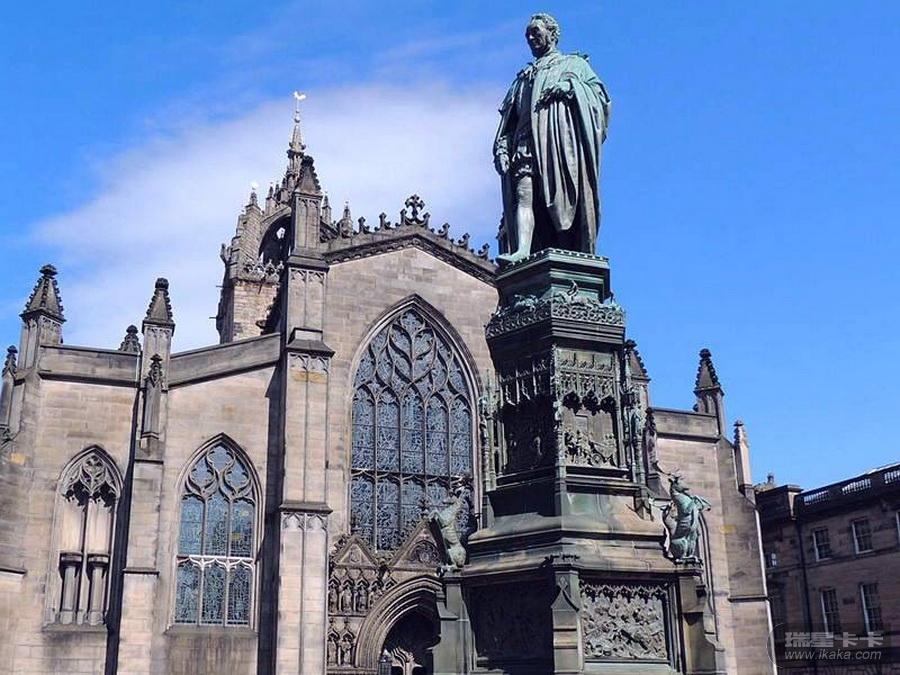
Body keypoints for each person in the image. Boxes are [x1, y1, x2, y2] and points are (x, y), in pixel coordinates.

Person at [494, 13, 611, 263]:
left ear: (553, 34)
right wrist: (502, 148)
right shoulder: (521, 79)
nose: (530, 37)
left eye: (535, 32)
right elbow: (508, 122)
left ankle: (568, 250)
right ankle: (522, 250)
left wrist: (571, 88)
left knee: (560, 202)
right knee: (523, 196)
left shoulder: (574, 65)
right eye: (527, 34)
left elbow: (600, 98)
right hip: (525, 143)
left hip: (556, 146)